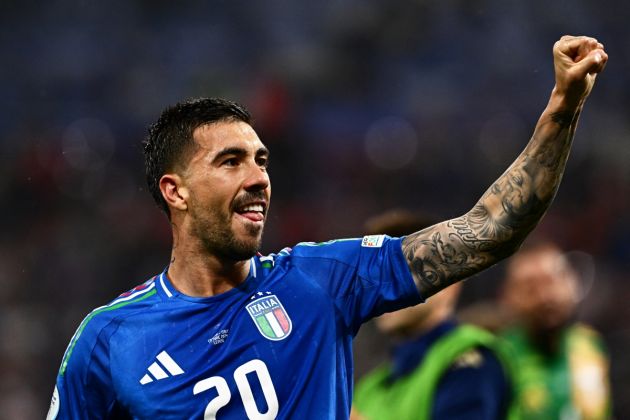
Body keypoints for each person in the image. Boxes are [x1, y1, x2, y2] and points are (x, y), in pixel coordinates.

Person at [47, 35, 607, 419]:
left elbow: (489, 230)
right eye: (231, 161)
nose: (259, 177)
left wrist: (563, 106)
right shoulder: (109, 340)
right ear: (176, 192)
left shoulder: (318, 280)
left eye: (262, 160)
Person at [352, 209, 513, 420]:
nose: (383, 289)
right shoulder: (369, 389)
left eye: (402, 274)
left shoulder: (468, 359)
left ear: (449, 282)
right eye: (378, 276)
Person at [500, 241, 611, 419]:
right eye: (531, 288)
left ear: (572, 281)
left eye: (552, 281)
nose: (546, 297)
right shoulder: (500, 359)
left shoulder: (589, 344)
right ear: (509, 296)